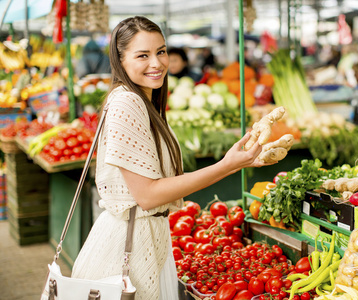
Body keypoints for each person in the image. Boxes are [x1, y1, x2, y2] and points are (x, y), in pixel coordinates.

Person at [71, 16, 272, 300]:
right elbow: (148, 195)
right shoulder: (126, 102)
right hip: (126, 249)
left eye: (161, 51)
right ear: (120, 60)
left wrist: (234, 163)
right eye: (143, 55)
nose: (157, 63)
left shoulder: (142, 99)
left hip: (145, 239)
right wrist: (226, 165)